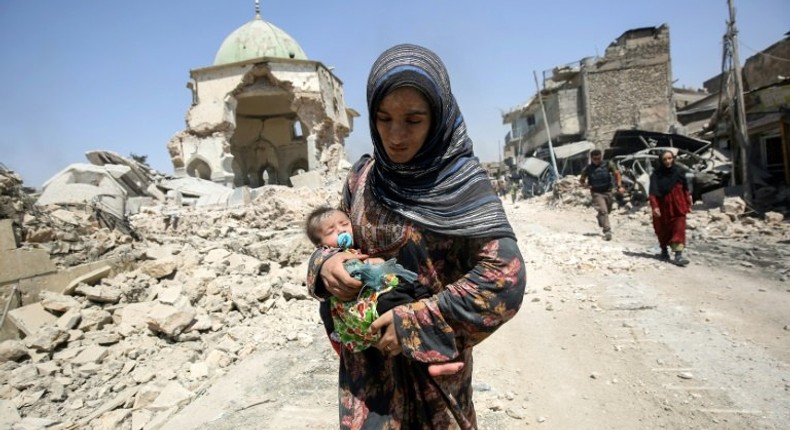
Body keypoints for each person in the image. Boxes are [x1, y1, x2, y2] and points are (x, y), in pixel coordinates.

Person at [306, 43, 526, 429]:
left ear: (438, 118)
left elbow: (505, 278)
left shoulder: (463, 186)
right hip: (367, 375)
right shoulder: (362, 179)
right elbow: (334, 235)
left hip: (429, 376)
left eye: (413, 120)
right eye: (383, 118)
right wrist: (325, 265)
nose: (395, 135)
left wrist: (415, 322)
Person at [648, 150, 692, 266]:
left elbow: (685, 189)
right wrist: (655, 207)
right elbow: (652, 192)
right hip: (663, 206)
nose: (668, 161)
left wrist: (688, 202)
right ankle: (664, 250)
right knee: (662, 229)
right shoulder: (656, 175)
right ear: (661, 161)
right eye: (665, 159)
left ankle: (678, 255)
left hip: (678, 205)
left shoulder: (679, 172)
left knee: (679, 228)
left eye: (670, 158)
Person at [579, 148, 625, 240]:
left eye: (599, 159)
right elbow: (582, 180)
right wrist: (586, 185)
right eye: (595, 159)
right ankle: (607, 231)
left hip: (608, 191)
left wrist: (619, 186)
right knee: (604, 211)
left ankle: (600, 217)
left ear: (601, 157)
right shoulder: (588, 168)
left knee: (607, 210)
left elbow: (617, 174)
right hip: (596, 193)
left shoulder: (608, 164)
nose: (597, 161)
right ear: (591, 159)